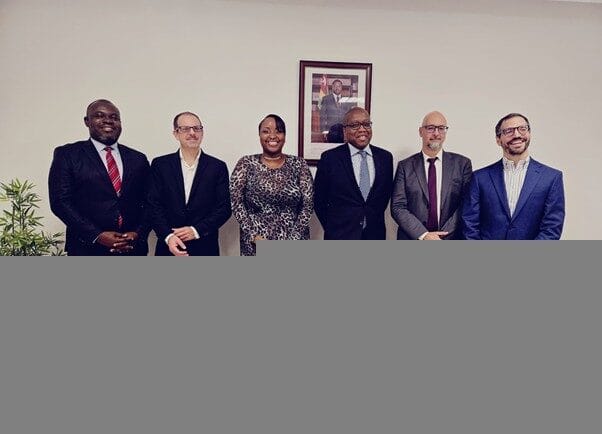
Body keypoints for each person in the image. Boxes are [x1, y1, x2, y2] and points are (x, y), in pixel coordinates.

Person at [48, 99, 150, 256]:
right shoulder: (67, 154)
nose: (108, 121)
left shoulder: (138, 159)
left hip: (132, 248)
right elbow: (60, 202)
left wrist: (138, 232)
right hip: (86, 248)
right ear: (87, 121)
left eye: (114, 117)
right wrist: (97, 235)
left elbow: (150, 201)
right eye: (99, 116)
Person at [462, 113, 565, 239]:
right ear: (498, 140)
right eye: (509, 131)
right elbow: (469, 224)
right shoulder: (479, 178)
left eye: (522, 129)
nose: (517, 135)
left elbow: (552, 229)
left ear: (529, 133)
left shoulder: (551, 178)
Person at [147, 112, 231, 256]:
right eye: (185, 129)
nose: (192, 133)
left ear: (202, 132)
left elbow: (224, 208)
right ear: (176, 134)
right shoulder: (160, 165)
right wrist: (168, 236)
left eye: (196, 128)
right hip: (168, 246)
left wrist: (196, 231)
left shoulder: (217, 167)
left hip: (205, 246)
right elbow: (153, 204)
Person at [230, 114, 314, 256]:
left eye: (278, 131)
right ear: (259, 135)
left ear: (284, 136)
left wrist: (294, 238)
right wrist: (253, 235)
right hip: (256, 245)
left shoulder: (299, 164)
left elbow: (308, 205)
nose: (273, 136)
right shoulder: (246, 164)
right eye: (266, 131)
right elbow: (236, 203)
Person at [314, 107, 393, 240]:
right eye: (355, 125)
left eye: (366, 124)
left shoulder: (385, 158)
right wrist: (333, 228)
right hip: (339, 236)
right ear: (345, 130)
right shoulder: (330, 158)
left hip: (375, 235)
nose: (362, 129)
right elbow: (319, 200)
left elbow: (384, 197)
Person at [391, 111, 472, 240]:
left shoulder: (462, 164)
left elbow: (467, 204)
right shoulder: (405, 166)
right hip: (414, 238)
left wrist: (442, 234)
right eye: (430, 128)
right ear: (420, 132)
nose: (436, 133)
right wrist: (424, 235)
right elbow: (398, 207)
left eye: (441, 128)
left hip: (449, 238)